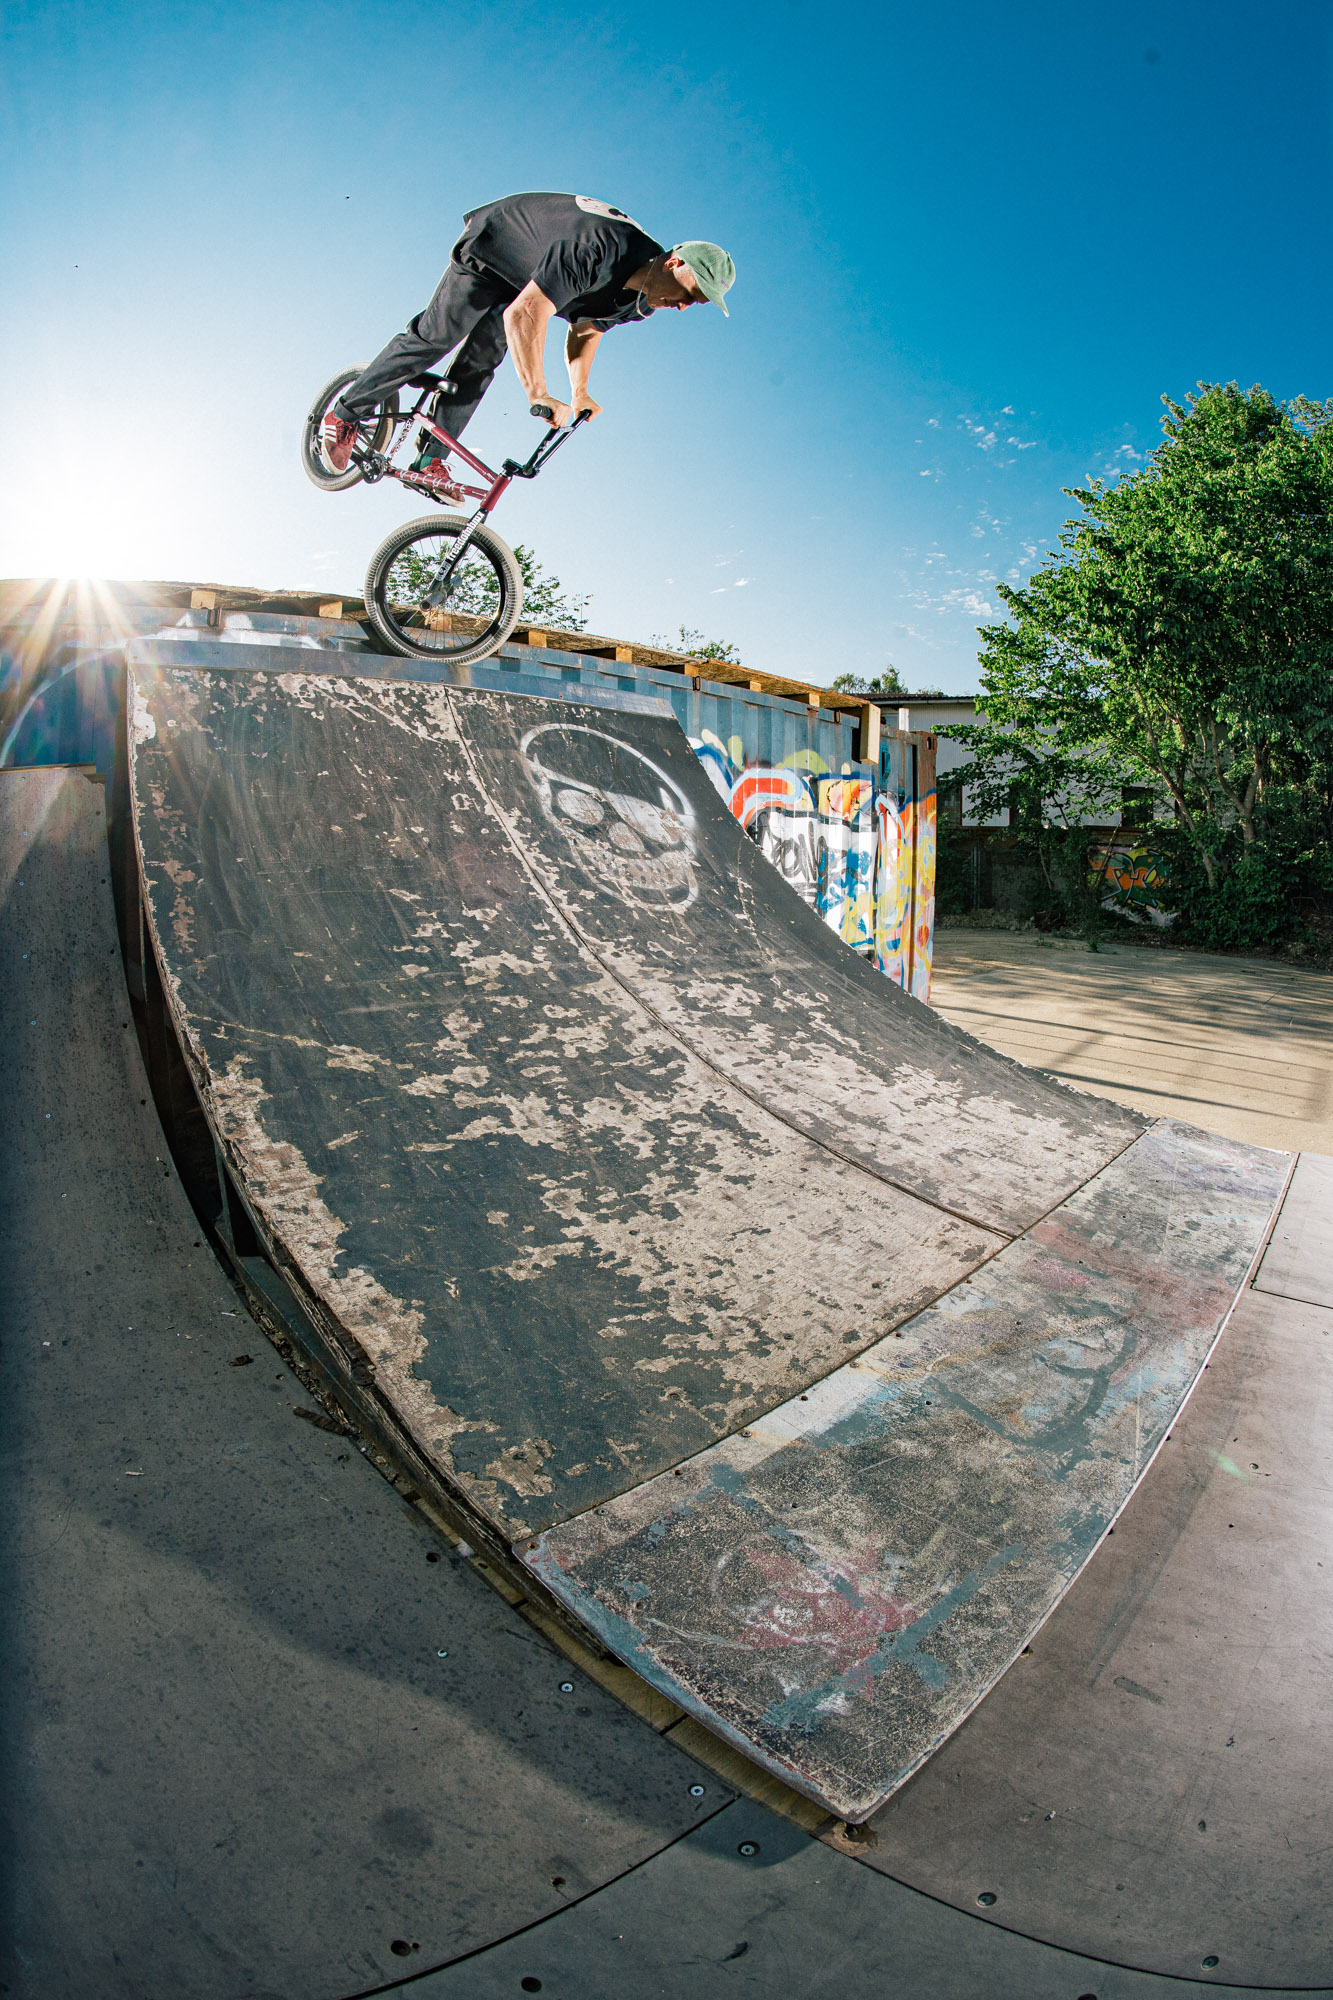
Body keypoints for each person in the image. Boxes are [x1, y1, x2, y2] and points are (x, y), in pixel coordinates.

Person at [321, 192, 735, 489]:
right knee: (438, 336)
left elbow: (586, 328)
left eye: (697, 304)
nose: (684, 307)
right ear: (675, 262)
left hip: (531, 278)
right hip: (498, 246)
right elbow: (524, 313)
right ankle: (343, 414)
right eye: (691, 293)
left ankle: (430, 460)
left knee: (482, 361)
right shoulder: (598, 249)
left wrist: (580, 391)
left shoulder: (643, 301)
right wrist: (538, 392)